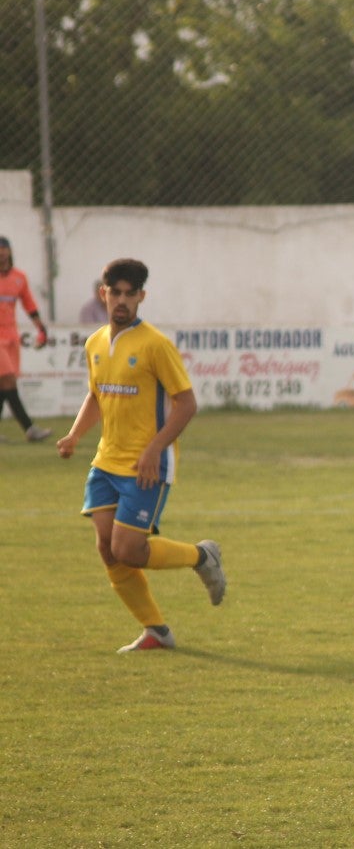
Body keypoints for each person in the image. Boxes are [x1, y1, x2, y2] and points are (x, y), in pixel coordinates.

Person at [56, 258, 226, 653]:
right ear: (104, 294)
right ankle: (156, 631)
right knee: (106, 547)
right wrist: (75, 434)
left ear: (141, 297)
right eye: (115, 292)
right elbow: (98, 395)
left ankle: (202, 556)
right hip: (106, 462)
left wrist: (154, 448)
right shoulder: (95, 342)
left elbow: (186, 404)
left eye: (130, 294)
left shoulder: (155, 345)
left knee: (129, 550)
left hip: (146, 465)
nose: (122, 300)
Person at [0, 235, 52, 442]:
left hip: (11, 336)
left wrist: (41, 328)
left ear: (10, 253)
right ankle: (30, 429)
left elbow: (28, 303)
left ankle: (30, 429)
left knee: (5, 384)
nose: (2, 255)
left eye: (4, 251)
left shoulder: (19, 278)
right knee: (8, 380)